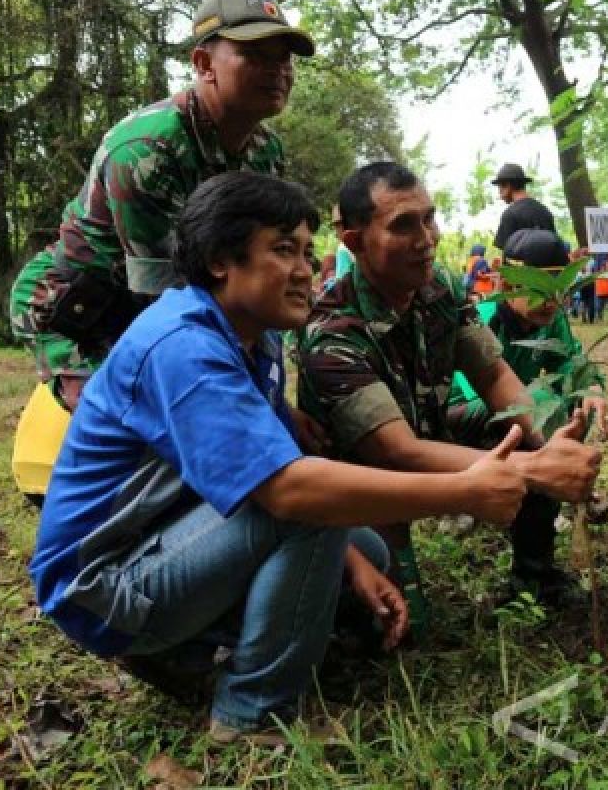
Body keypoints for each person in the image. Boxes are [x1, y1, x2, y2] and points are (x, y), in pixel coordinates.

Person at [30, 172, 528, 744]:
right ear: (222, 260)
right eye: (284, 250)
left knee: (361, 547)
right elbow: (289, 490)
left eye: (308, 252)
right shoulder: (182, 346)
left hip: (158, 542)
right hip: (101, 584)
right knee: (311, 509)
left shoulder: (253, 336)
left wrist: (352, 561)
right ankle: (251, 712)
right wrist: (467, 490)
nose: (305, 270)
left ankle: (192, 652)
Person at [297, 162, 600, 620]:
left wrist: (544, 440)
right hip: (363, 482)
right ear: (354, 242)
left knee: (520, 430)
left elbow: (494, 376)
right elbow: (395, 452)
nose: (426, 239)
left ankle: (534, 577)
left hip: (430, 434)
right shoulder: (331, 331)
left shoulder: (439, 287)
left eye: (428, 218)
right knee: (389, 628)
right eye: (403, 226)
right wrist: (535, 467)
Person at [9, 0, 312, 412]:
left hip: (163, 298)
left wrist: (274, 402)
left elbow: (255, 268)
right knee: (133, 424)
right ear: (204, 65)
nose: (277, 70)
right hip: (80, 308)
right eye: (256, 55)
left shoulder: (264, 150)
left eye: (284, 58)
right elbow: (165, 302)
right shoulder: (147, 149)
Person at [447, 228, 608, 444]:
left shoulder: (551, 318)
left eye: (559, 289)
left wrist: (589, 385)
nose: (552, 302)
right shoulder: (483, 320)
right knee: (541, 401)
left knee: (579, 399)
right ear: (507, 285)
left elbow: (569, 362)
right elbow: (482, 392)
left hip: (516, 406)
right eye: (540, 291)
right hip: (464, 412)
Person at [490, 162, 557, 251]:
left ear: (508, 186)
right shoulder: (544, 211)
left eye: (500, 186)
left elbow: (507, 252)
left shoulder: (510, 214)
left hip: (521, 265)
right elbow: (554, 245)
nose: (499, 191)